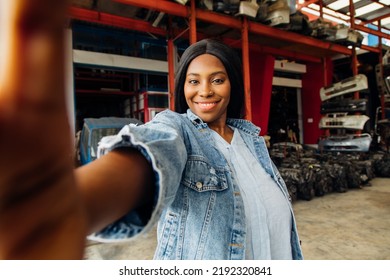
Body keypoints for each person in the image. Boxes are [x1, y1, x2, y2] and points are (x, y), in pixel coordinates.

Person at [0, 0, 303, 260]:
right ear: (182, 87)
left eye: (217, 79)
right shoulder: (180, 129)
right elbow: (153, 151)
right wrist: (71, 208)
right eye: (194, 81)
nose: (205, 91)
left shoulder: (252, 141)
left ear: (233, 83)